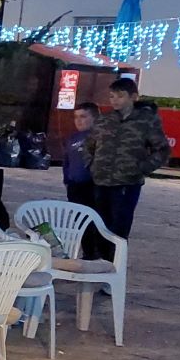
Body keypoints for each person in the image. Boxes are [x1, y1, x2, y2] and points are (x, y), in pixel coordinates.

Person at [85, 76, 169, 244]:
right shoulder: (105, 120)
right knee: (99, 226)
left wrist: (141, 168)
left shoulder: (146, 121)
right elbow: (89, 145)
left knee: (118, 229)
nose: (115, 100)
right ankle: (97, 262)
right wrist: (91, 165)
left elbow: (162, 149)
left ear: (133, 97)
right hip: (101, 181)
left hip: (126, 183)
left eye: (120, 96)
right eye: (112, 96)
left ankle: (115, 264)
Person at [62, 103, 107, 260]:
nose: (79, 121)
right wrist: (67, 179)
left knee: (93, 222)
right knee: (79, 223)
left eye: (83, 117)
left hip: (92, 186)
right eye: (76, 117)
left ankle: (98, 255)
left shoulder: (99, 137)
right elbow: (67, 160)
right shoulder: (72, 138)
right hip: (75, 186)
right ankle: (87, 253)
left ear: (94, 118)